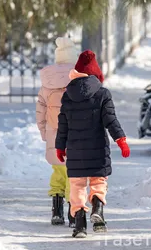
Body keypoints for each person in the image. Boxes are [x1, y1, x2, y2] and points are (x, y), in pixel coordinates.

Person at [55, 50, 130, 238]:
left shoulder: (67, 95)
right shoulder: (103, 94)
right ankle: (98, 207)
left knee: (77, 185)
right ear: (96, 73)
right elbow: (110, 120)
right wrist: (121, 140)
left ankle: (80, 224)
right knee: (98, 180)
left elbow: (62, 124)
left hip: (75, 149)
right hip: (97, 147)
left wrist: (59, 146)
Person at [36, 37, 78, 227]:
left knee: (58, 170)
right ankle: (72, 211)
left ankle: (56, 210)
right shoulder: (79, 78)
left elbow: (41, 110)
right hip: (76, 133)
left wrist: (44, 132)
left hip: (54, 133)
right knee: (74, 172)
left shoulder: (48, 80)